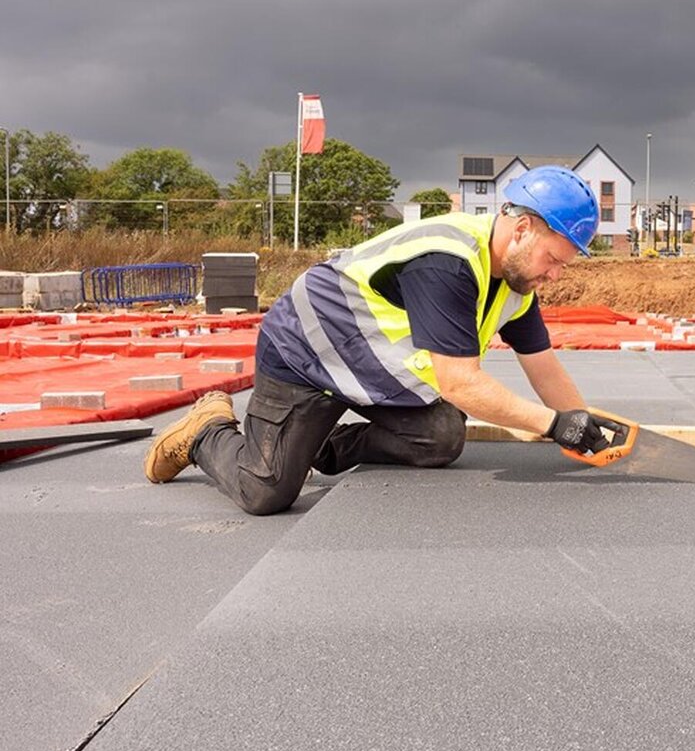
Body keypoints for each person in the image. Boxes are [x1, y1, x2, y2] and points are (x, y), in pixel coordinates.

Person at [144, 165, 625, 514]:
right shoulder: (448, 260)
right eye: (554, 258)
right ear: (522, 229)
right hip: (307, 355)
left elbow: (542, 365)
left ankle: (311, 447)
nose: (557, 274)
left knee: (440, 437)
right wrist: (553, 425)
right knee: (265, 489)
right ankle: (206, 431)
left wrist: (584, 427)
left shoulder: (515, 284)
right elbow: (459, 384)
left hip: (370, 367)